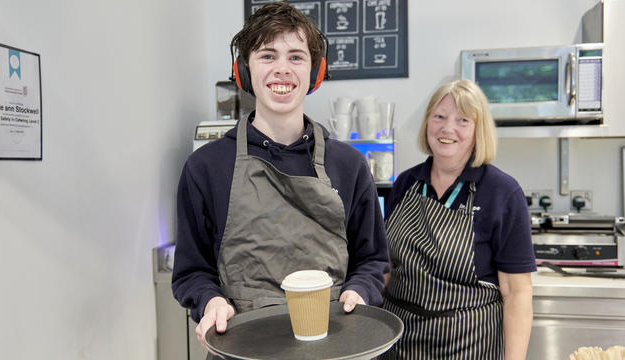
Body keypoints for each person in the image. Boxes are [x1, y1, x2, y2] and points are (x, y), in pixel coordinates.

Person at [171, 1, 389, 351]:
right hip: (242, 348)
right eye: (267, 56)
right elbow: (191, 271)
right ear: (244, 70)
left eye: (296, 57)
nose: (282, 70)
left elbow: (372, 260)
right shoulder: (207, 167)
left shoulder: (349, 165)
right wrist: (210, 301)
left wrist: (360, 290)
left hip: (333, 347)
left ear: (315, 73)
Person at [381, 79, 536, 359]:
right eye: (438, 117)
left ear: (479, 131)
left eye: (463, 120)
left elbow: (516, 292)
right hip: (398, 341)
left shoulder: (502, 192)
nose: (447, 128)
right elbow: (386, 267)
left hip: (466, 344)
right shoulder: (407, 182)